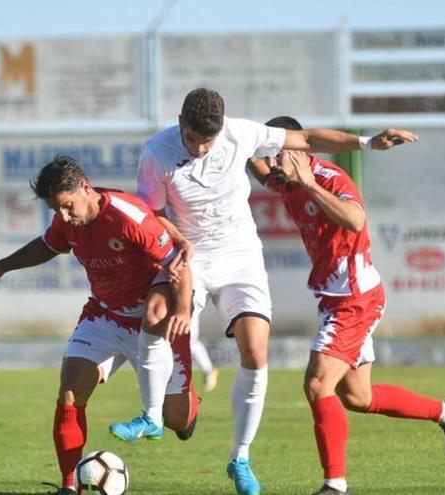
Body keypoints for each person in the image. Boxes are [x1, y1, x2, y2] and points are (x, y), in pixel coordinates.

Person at [110, 87, 418, 495]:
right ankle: (150, 415)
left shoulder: (238, 134)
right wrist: (178, 250)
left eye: (209, 140)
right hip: (191, 255)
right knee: (156, 313)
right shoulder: (156, 154)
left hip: (241, 257)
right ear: (180, 124)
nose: (201, 148)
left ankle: (241, 458)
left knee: (256, 352)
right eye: (192, 138)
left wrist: (366, 142)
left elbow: (306, 140)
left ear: (221, 129)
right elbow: (154, 214)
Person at [248, 116, 445, 495]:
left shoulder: (329, 179)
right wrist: (234, 141)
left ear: (300, 150)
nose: (271, 162)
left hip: (355, 299)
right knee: (358, 397)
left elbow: (354, 219)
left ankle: (335, 485)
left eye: (277, 151)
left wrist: (311, 184)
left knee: (317, 384)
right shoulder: (286, 181)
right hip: (336, 299)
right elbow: (257, 167)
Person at [0, 156, 199, 495]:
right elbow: (48, 246)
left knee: (176, 418)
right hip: (103, 316)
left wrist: (183, 309)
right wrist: (3, 265)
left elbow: (177, 263)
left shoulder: (129, 216)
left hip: (152, 319)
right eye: (56, 210)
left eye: (67, 206)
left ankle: (187, 407)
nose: (63, 216)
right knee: (70, 392)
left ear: (85, 188)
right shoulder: (68, 222)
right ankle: (69, 485)